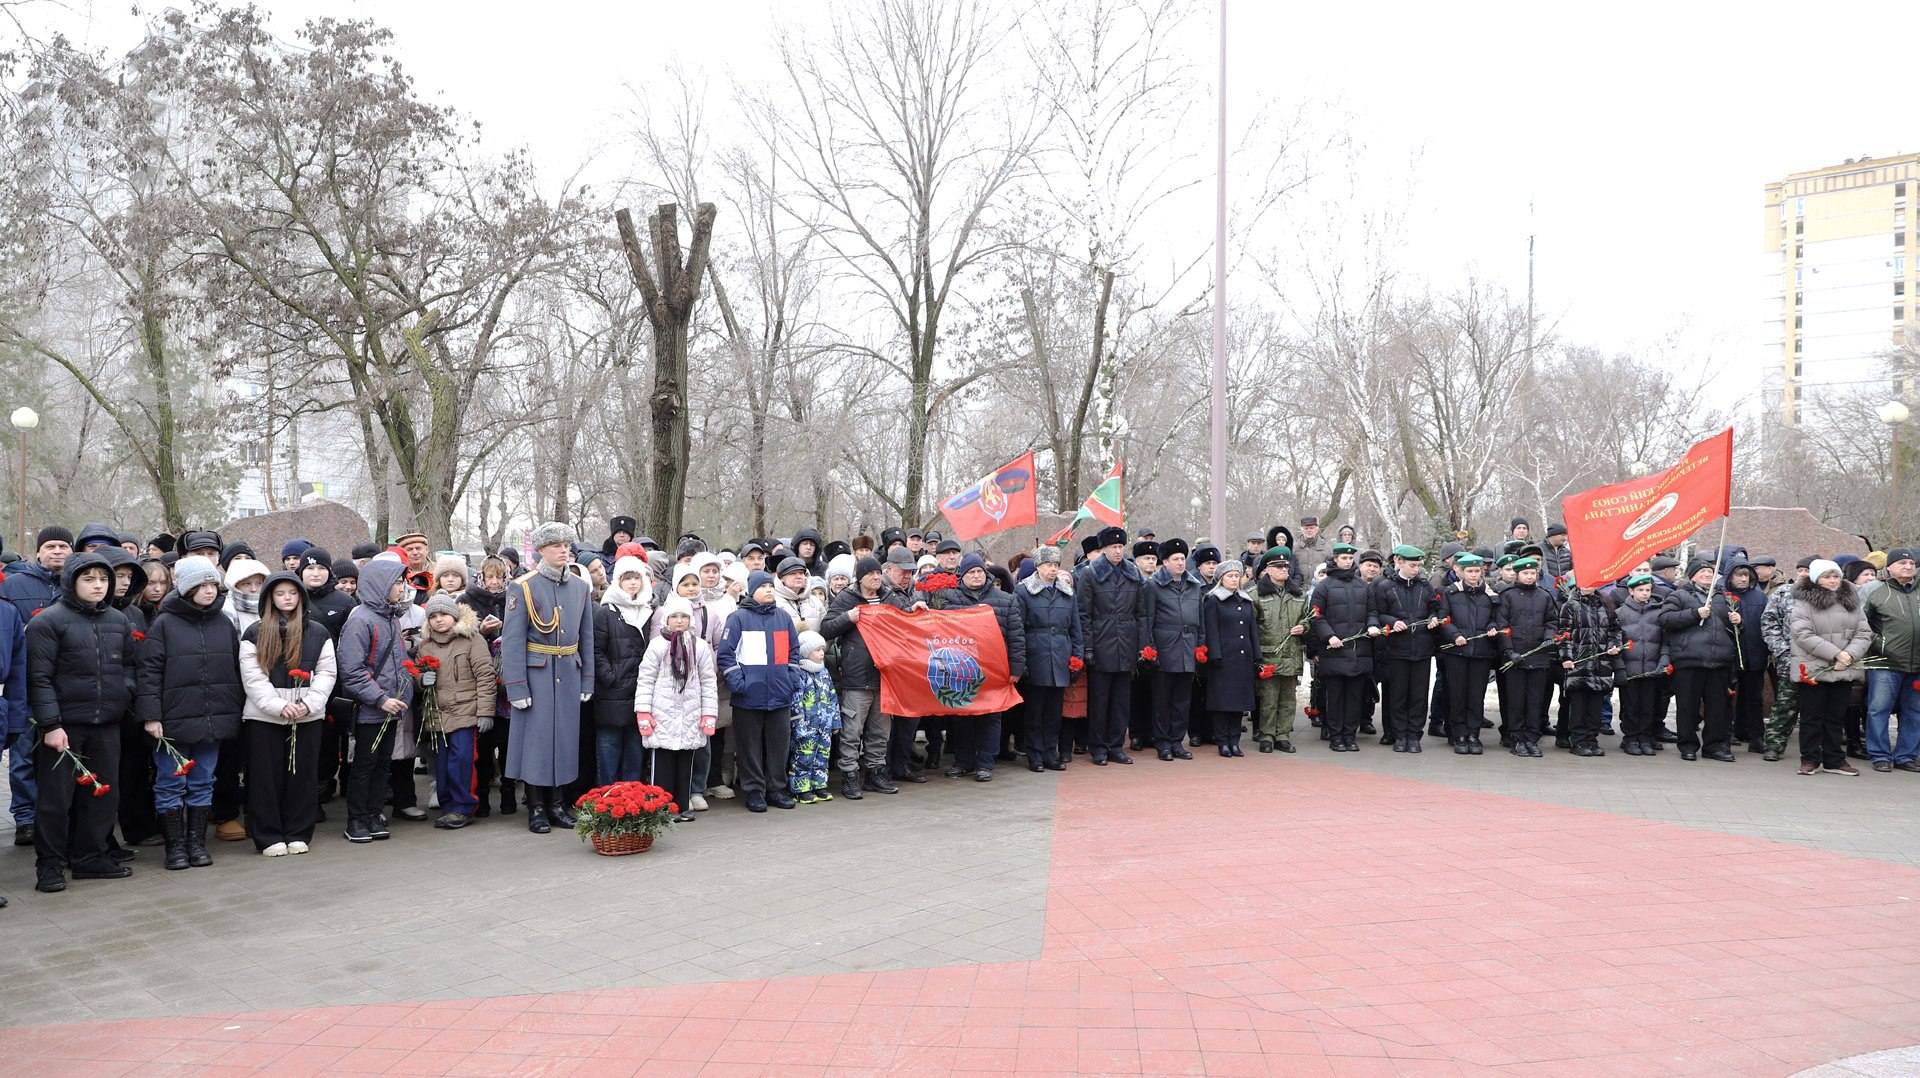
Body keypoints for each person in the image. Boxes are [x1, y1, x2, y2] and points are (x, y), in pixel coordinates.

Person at [26, 551, 138, 893]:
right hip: (64, 725)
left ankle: (90, 857)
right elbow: (39, 678)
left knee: (104, 795)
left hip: (106, 722)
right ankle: (50, 864)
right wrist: (50, 725)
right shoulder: (49, 621)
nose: (98, 585)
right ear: (72, 581)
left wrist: (125, 692)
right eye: (89, 579)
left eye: (103, 579)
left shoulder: (118, 622)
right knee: (56, 800)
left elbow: (130, 667)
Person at [137, 555, 245, 871]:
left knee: (202, 780)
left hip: (212, 719)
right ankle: (175, 847)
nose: (209, 591)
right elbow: (149, 673)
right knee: (170, 782)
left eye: (213, 584)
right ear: (186, 587)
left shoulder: (223, 623)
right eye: (201, 585)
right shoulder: (164, 624)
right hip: (172, 721)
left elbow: (233, 672)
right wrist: (151, 715)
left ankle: (196, 844)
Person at [502, 523, 596, 834]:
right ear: (541, 550)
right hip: (536, 673)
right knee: (537, 743)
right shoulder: (523, 586)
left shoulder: (581, 587)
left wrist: (587, 680)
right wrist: (515, 685)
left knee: (565, 742)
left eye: (567, 545)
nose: (563, 550)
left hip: (569, 671)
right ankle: (537, 807)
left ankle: (558, 804)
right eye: (556, 545)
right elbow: (512, 640)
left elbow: (587, 637)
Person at [237, 571, 337, 855]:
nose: (287, 599)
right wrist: (279, 706)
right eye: (280, 594)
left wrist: (309, 704)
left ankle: (298, 832)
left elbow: (327, 673)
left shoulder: (318, 632)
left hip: (307, 715)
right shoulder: (254, 633)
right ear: (270, 597)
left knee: (302, 776)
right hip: (264, 717)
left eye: (292, 593)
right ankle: (268, 836)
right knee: (265, 778)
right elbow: (253, 677)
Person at [336, 556, 413, 844]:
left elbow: (398, 662)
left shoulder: (390, 618)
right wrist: (381, 699)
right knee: (364, 764)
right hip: (372, 709)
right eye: (396, 582)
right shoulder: (361, 620)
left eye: (402, 582)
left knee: (383, 764)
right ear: (381, 585)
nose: (402, 588)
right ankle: (355, 819)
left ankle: (373, 813)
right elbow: (352, 671)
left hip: (392, 707)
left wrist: (404, 693)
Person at [4, 525, 73, 848]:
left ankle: (60, 815)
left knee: (60, 756)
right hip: (25, 684)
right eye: (51, 546)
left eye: (63, 546)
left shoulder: (79, 584)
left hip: (65, 685)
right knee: (23, 757)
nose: (57, 551)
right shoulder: (15, 585)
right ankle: (25, 818)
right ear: (39, 551)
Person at [821, 555, 906, 798]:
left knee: (881, 731)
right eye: (871, 574)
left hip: (885, 676)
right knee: (852, 731)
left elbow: (907, 620)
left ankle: (875, 774)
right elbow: (826, 628)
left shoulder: (890, 597)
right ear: (860, 577)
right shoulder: (846, 598)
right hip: (856, 678)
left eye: (879, 573)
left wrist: (916, 610)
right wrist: (848, 618)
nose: (876, 577)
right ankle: (849, 776)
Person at [936, 553, 1024, 781]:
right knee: (962, 717)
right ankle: (963, 761)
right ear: (962, 576)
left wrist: (1016, 669)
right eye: (970, 572)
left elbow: (1016, 636)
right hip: (961, 669)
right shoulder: (950, 600)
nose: (976, 576)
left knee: (991, 717)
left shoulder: (1006, 599)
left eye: (979, 572)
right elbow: (941, 630)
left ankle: (985, 763)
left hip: (995, 669)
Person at [718, 570, 801, 812]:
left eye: (771, 586)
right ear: (751, 590)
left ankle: (776, 788)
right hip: (748, 697)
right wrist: (739, 684)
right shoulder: (738, 618)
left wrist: (791, 679)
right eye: (763, 587)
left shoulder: (783, 618)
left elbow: (793, 652)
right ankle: (754, 790)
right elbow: (725, 654)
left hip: (780, 694)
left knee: (779, 744)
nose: (769, 590)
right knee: (749, 745)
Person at [636, 595, 716, 822]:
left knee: (685, 765)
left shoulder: (698, 646)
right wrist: (643, 711)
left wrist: (709, 713)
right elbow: (645, 679)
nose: (679, 621)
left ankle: (682, 805)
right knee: (662, 765)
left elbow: (708, 681)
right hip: (662, 714)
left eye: (683, 616)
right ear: (666, 619)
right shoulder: (657, 645)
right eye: (674, 616)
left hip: (690, 715)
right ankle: (661, 807)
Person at [1790, 560, 1871, 777]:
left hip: (1843, 667)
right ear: (1816, 579)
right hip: (1814, 668)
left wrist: (1849, 655)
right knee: (1812, 717)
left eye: (1835, 576)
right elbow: (1803, 634)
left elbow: (1864, 633)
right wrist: (1836, 654)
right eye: (1827, 577)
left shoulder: (1852, 602)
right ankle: (1809, 759)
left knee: (1836, 717)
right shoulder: (1804, 603)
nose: (1832, 581)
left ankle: (1834, 759)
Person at [1659, 557, 1741, 762]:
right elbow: (1666, 620)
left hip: (1718, 660)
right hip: (1689, 659)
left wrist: (1737, 622)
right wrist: (1695, 614)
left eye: (1710, 573)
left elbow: (1730, 631)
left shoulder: (1722, 597)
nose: (1706, 575)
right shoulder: (1679, 595)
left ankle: (1714, 746)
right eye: (1702, 572)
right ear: (1692, 575)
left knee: (1717, 707)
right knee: (1687, 705)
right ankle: (1687, 745)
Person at [1076, 526, 1146, 766]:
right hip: (1101, 641)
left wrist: (1141, 646)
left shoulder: (1133, 573)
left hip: (1126, 642)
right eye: (1113, 547)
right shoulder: (1090, 574)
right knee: (1099, 700)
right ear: (1103, 549)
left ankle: (1116, 745)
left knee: (1121, 700)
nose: (1118, 551)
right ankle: (1097, 746)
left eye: (1120, 547)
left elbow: (1141, 613)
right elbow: (1083, 614)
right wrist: (1088, 648)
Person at [1369, 544, 1441, 751]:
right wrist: (1391, 621)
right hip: (1396, 649)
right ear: (1399, 562)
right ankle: (1399, 735)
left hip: (1422, 649)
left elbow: (1433, 609)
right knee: (1398, 695)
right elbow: (1377, 613)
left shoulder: (1425, 586)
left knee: (1418, 695)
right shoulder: (1384, 586)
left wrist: (1432, 619)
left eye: (1418, 565)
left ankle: (1414, 735)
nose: (1416, 569)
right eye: (1412, 565)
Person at [1016, 545, 1080, 772]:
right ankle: (1034, 755)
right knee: (1035, 711)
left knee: (1054, 712)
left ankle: (1049, 753)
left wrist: (1077, 658)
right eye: (1048, 565)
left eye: (1056, 565)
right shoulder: (1024, 591)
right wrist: (1021, 661)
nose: (1053, 570)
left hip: (1061, 656)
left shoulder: (1067, 592)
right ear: (1038, 566)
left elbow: (1076, 628)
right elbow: (1018, 629)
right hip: (1036, 655)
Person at [591, 555, 653, 785]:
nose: (633, 583)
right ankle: (606, 798)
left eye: (636, 577)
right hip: (612, 693)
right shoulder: (606, 612)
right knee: (609, 747)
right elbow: (596, 651)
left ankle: (632, 799)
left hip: (641, 691)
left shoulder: (648, 609)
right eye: (627, 578)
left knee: (635, 750)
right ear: (618, 581)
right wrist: (610, 678)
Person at [1140, 538, 1204, 760]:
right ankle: (1163, 743)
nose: (1180, 563)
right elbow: (1147, 619)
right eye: (1175, 559)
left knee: (1182, 700)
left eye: (1183, 559)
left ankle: (1177, 741)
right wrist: (1150, 648)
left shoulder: (1194, 585)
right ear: (1164, 562)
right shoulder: (1153, 585)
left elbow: (1201, 620)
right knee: (1162, 700)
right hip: (1165, 647)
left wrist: (1200, 646)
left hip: (1188, 647)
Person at [1308, 543, 1373, 752]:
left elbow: (1372, 611)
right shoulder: (1324, 586)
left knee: (1355, 697)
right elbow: (1316, 616)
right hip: (1334, 651)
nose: (1347, 561)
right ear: (1335, 559)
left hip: (1359, 650)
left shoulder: (1362, 586)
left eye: (1350, 558)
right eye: (1343, 558)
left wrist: (1372, 625)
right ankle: (1335, 736)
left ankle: (1350, 735)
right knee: (1335, 697)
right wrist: (1329, 636)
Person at [1862, 547, 1920, 773]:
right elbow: (1859, 622)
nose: (1907, 567)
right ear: (1889, 567)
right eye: (1901, 564)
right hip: (1884, 661)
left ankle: (1906, 756)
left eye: (1912, 564)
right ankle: (1880, 755)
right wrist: (1880, 644)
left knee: (1914, 711)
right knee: (1879, 709)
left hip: (1917, 664)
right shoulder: (1874, 589)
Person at [1437, 553, 1501, 755]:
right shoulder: (1451, 593)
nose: (1474, 575)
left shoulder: (1490, 594)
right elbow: (1443, 619)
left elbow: (1494, 618)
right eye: (1470, 571)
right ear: (1461, 572)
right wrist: (1454, 635)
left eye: (1477, 571)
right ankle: (1459, 735)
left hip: (1481, 652)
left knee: (1475, 696)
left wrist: (1492, 628)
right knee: (1458, 695)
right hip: (1457, 653)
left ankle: (1473, 734)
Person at [1498, 557, 1559, 756]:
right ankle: (1516, 737)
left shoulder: (1544, 596)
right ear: (1517, 574)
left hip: (1538, 657)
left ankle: (1532, 738)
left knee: (1535, 700)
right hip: (1515, 657)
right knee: (1516, 700)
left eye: (1533, 573)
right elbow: (1502, 625)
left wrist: (1549, 637)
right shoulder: (1508, 596)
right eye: (1525, 573)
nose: (1530, 576)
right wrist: (1508, 651)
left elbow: (1551, 621)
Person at [1555, 583, 1624, 757]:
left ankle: (1591, 739)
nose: (1587, 586)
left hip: (1601, 665)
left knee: (1595, 706)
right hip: (1578, 664)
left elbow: (1615, 630)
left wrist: (1613, 646)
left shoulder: (1605, 605)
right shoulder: (1570, 606)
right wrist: (1566, 657)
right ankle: (1578, 740)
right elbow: (1564, 634)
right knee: (1578, 706)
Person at [1250, 546, 1307, 753]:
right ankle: (1266, 735)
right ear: (1268, 570)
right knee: (1268, 699)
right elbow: (1250, 627)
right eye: (1279, 566)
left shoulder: (1298, 594)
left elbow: (1307, 619)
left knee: (1288, 700)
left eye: (1286, 566)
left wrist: (1304, 627)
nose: (1284, 569)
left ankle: (1282, 735)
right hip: (1268, 655)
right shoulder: (1254, 595)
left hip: (1291, 655)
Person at [1199, 562, 1259, 756]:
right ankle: (1222, 741)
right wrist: (1215, 655)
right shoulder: (1213, 600)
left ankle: (1235, 741)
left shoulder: (1246, 600)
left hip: (1243, 658)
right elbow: (1211, 630)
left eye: (1236, 575)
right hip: (1223, 658)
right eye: (1230, 576)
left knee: (1239, 704)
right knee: (1222, 703)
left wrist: (1257, 654)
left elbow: (1252, 631)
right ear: (1221, 579)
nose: (1234, 579)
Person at [1613, 575, 1670, 757]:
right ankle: (1630, 738)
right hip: (1631, 670)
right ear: (1631, 591)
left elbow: (1665, 642)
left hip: (1652, 669)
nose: (1645, 593)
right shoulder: (1621, 613)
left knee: (1649, 706)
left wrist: (1662, 663)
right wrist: (1620, 668)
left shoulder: (1659, 612)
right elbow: (1616, 642)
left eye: (1647, 590)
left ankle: (1645, 738)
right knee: (1630, 706)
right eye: (1640, 590)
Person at [786, 630, 841, 802]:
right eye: (817, 650)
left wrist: (835, 721)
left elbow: (832, 697)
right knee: (803, 757)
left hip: (824, 725)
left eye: (822, 649)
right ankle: (800, 788)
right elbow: (795, 701)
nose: (822, 653)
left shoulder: (824, 672)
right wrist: (798, 725)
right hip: (806, 726)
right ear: (805, 652)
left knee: (822, 756)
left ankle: (819, 785)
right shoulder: (800, 673)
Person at [1724, 559, 1771, 752]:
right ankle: (1727, 733)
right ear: (1730, 577)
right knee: (1727, 696)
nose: (1743, 579)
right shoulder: (1723, 596)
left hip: (1754, 654)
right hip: (1731, 655)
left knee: (1754, 698)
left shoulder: (1759, 598)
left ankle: (1756, 736)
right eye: (1738, 575)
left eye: (1746, 575)